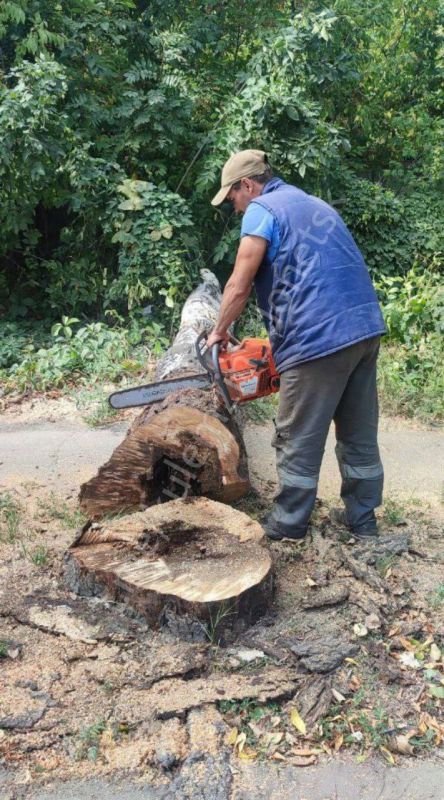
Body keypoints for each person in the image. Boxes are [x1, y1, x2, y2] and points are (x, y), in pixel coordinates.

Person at [207, 149, 386, 542]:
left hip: (316, 339)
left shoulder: (262, 210)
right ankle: (364, 521)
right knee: (357, 432)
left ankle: (288, 524)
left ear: (247, 186)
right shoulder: (313, 203)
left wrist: (219, 331)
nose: (235, 208)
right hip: (364, 328)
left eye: (233, 198)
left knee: (296, 435)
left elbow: (241, 281)